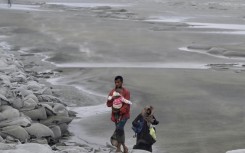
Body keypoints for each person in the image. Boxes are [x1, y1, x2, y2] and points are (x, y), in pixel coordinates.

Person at [107, 76, 131, 153]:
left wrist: (120, 111)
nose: (117, 84)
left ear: (121, 82)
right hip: (115, 115)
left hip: (124, 115)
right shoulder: (112, 92)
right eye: (115, 82)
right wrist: (113, 98)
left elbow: (127, 105)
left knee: (119, 128)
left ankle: (118, 148)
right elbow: (108, 104)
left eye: (118, 82)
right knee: (120, 130)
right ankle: (124, 147)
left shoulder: (126, 92)